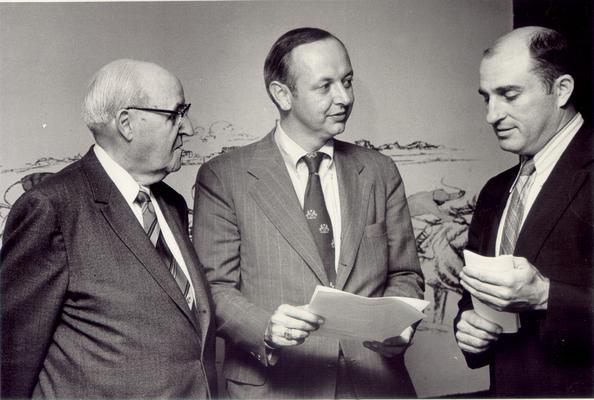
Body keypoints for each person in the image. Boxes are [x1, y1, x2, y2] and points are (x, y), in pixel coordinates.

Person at [193, 27, 424, 398]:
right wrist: (265, 327)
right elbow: (213, 289)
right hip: (277, 387)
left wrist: (399, 324)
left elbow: (405, 273)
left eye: (347, 81)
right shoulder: (224, 177)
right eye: (325, 86)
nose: (344, 97)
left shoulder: (380, 170)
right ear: (282, 94)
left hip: (375, 384)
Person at [1, 59, 217, 398]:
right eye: (175, 115)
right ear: (127, 124)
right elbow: (12, 358)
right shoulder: (51, 208)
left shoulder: (171, 204)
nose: (188, 128)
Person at [455, 26, 593, 396]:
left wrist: (546, 296)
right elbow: (475, 297)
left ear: (561, 90)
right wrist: (468, 325)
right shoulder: (495, 190)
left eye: (509, 95)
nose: (491, 115)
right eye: (487, 98)